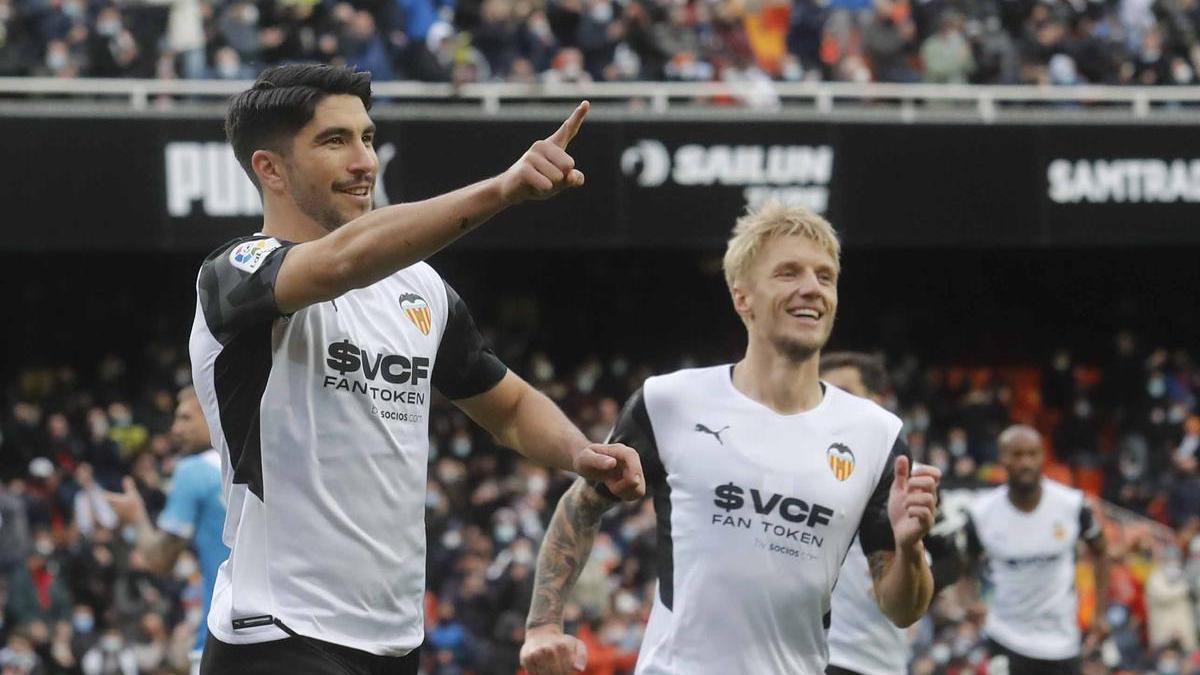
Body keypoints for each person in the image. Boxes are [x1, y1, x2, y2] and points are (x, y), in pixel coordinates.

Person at [190, 63, 644, 674]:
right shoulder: (237, 274)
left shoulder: (419, 290)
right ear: (270, 168)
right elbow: (340, 262)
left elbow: (505, 405)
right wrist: (502, 190)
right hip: (277, 631)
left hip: (394, 641)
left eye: (367, 137)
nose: (364, 161)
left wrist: (579, 451)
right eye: (334, 141)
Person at [520, 202, 942, 675]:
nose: (812, 288)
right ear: (743, 298)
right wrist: (542, 626)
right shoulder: (671, 402)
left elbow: (901, 608)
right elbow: (582, 505)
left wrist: (909, 550)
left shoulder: (877, 435)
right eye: (788, 273)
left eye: (826, 276)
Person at [820, 352, 963, 675]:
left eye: (845, 393)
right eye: (823, 393)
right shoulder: (793, 473)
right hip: (804, 656)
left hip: (873, 658)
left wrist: (909, 584)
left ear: (877, 400)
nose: (832, 405)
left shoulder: (910, 479)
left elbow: (952, 561)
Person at [963, 424, 1109, 675]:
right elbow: (965, 559)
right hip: (1006, 637)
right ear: (1002, 458)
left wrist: (1100, 613)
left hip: (1062, 642)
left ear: (1043, 457)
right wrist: (970, 599)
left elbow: (1101, 550)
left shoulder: (1072, 506)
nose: (1025, 463)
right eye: (1016, 455)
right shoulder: (981, 513)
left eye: (1032, 454)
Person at [104, 386, 229, 674]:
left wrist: (136, 516)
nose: (175, 428)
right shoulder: (267, 462)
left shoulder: (194, 470)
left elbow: (160, 560)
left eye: (185, 418)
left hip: (224, 636)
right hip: (287, 633)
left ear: (213, 412)